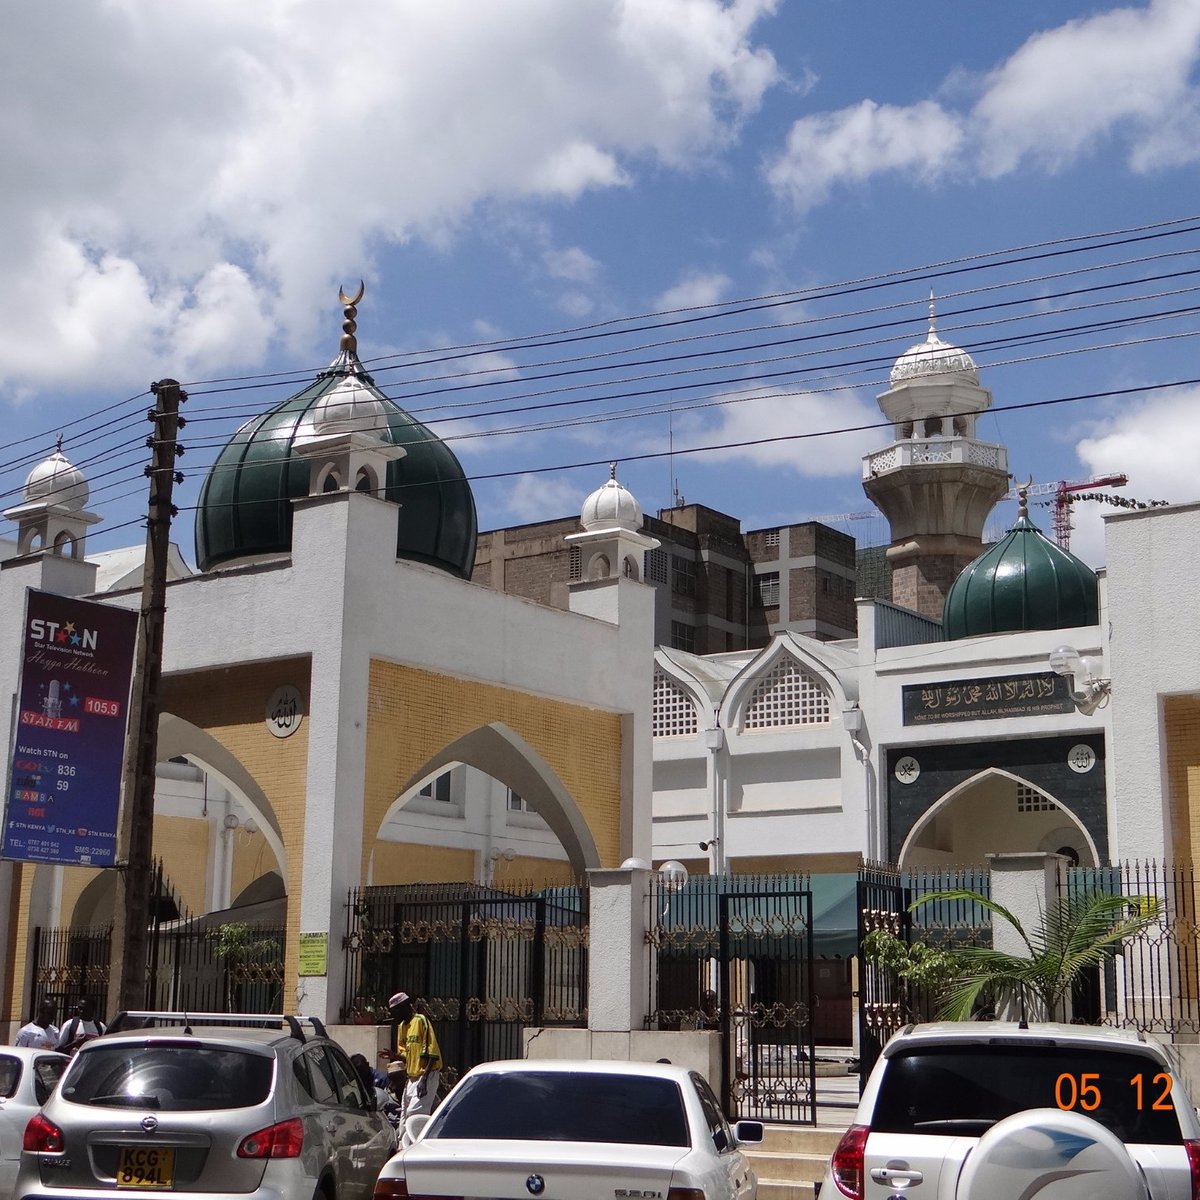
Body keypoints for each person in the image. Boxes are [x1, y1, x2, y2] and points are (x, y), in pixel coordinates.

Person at [379, 991, 441, 1130]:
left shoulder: (420, 1021)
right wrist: (394, 1055)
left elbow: (432, 1052)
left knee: (415, 1114)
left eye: (395, 1011)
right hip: (412, 1077)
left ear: (404, 1007)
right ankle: (403, 1147)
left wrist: (424, 1080)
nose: (393, 1015)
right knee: (404, 1116)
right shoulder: (402, 1027)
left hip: (426, 1075)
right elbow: (407, 1056)